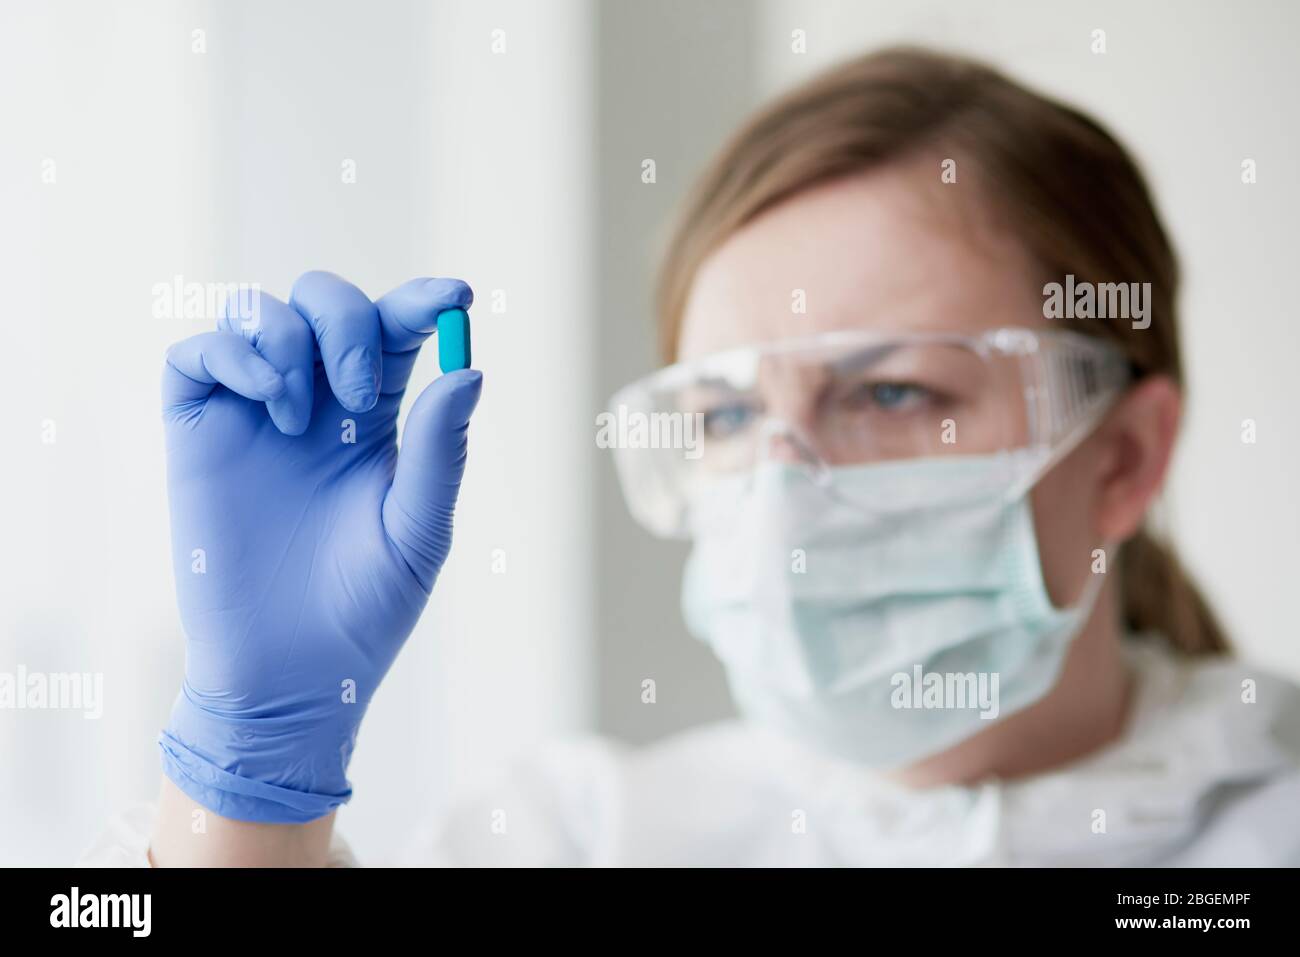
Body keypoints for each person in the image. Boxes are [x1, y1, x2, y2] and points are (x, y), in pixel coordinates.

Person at [84, 48, 1300, 867]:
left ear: (1126, 458)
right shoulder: (578, 839)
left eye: (890, 390)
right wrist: (253, 771)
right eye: (722, 416)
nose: (782, 490)